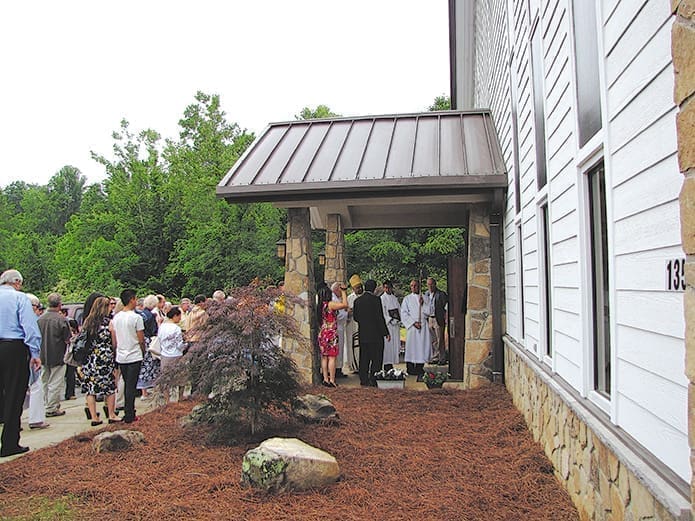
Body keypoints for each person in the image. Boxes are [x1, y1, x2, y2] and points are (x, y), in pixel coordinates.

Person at [0, 269, 41, 457]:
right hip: (13, 346)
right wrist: (35, 352)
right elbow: (30, 327)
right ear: (16, 282)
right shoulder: (20, 298)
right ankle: (9, 443)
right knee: (14, 394)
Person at [81, 296, 120, 425]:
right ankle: (111, 414)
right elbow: (114, 342)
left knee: (91, 388)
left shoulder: (88, 322)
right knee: (109, 387)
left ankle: (94, 417)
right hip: (105, 358)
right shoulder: (108, 322)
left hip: (90, 359)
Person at [111, 289, 145, 423]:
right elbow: (141, 339)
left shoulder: (116, 317)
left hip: (121, 355)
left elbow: (115, 338)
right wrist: (143, 351)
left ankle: (128, 410)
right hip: (134, 354)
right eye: (135, 299)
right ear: (131, 299)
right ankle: (130, 412)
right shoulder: (136, 318)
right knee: (131, 385)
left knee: (126, 383)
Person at [37, 293, 71, 418]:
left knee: (44, 380)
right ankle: (51, 407)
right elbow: (68, 339)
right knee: (55, 382)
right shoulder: (61, 320)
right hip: (58, 355)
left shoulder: (40, 319)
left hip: (42, 354)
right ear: (60, 304)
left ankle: (45, 404)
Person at [353, 279, 390, 386]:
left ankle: (363, 379)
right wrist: (385, 332)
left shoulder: (357, 301)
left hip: (363, 333)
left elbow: (356, 317)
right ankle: (374, 378)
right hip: (376, 334)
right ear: (374, 288)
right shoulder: (376, 300)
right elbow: (379, 317)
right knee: (376, 357)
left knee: (364, 357)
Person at [400, 279, 433, 381]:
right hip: (412, 327)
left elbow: (430, 311)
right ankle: (410, 367)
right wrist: (413, 323)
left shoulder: (425, 298)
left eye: (415, 286)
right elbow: (404, 313)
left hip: (422, 325)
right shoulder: (407, 299)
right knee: (412, 348)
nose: (413, 288)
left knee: (421, 347)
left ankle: (419, 367)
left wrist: (423, 304)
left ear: (419, 286)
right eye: (412, 286)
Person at [25, 293, 49, 430]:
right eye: (36, 306)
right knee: (36, 386)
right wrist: (35, 354)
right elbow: (33, 337)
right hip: (30, 355)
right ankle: (36, 418)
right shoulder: (31, 319)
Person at [317, 283, 348, 387]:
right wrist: (343, 291)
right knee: (332, 357)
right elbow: (344, 305)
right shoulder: (330, 304)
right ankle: (332, 380)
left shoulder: (320, 306)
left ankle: (325, 379)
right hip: (331, 333)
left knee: (324, 357)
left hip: (322, 332)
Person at [157, 306, 186, 402]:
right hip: (176, 354)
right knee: (181, 377)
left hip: (165, 354)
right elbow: (179, 344)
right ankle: (180, 397)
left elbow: (160, 340)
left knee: (166, 378)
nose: (180, 318)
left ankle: (167, 399)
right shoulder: (176, 328)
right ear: (175, 316)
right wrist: (185, 346)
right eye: (179, 316)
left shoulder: (162, 326)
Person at [136, 295, 160, 400]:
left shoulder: (139, 314)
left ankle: (143, 392)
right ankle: (150, 390)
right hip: (149, 340)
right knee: (150, 365)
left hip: (139, 339)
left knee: (142, 366)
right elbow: (154, 330)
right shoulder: (151, 316)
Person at [426, 277, 448, 364]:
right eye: (428, 284)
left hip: (438, 318)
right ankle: (435, 357)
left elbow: (446, 306)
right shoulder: (426, 294)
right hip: (430, 318)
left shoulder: (441, 294)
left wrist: (445, 317)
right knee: (433, 340)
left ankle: (442, 358)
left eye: (432, 284)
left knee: (440, 339)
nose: (430, 286)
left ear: (435, 284)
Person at [344, 274, 364, 374]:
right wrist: (349, 312)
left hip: (361, 324)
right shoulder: (349, 298)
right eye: (357, 288)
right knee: (352, 344)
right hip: (351, 324)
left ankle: (362, 365)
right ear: (353, 289)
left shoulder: (365, 298)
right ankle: (353, 365)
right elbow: (345, 312)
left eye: (360, 287)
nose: (359, 289)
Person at [380, 280, 401, 372]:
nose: (387, 289)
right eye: (386, 287)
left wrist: (398, 319)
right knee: (387, 346)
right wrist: (390, 319)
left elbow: (398, 310)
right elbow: (382, 313)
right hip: (387, 326)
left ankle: (391, 363)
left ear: (391, 288)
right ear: (383, 288)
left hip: (395, 325)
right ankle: (386, 365)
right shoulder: (382, 298)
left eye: (389, 287)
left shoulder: (394, 298)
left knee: (394, 345)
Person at [330, 282, 348, 378]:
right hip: (336, 327)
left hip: (340, 327)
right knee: (336, 350)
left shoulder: (337, 298)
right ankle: (336, 370)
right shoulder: (333, 299)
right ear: (337, 290)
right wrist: (346, 313)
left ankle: (338, 368)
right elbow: (338, 314)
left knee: (340, 349)